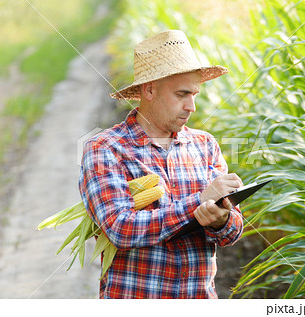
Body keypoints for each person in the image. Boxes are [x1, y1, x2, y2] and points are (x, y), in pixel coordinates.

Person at [79, 30, 243, 299]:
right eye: (182, 94)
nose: (192, 106)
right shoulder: (105, 149)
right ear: (150, 89)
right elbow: (120, 228)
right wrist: (199, 202)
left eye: (195, 94)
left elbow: (231, 232)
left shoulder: (205, 144)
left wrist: (220, 219)